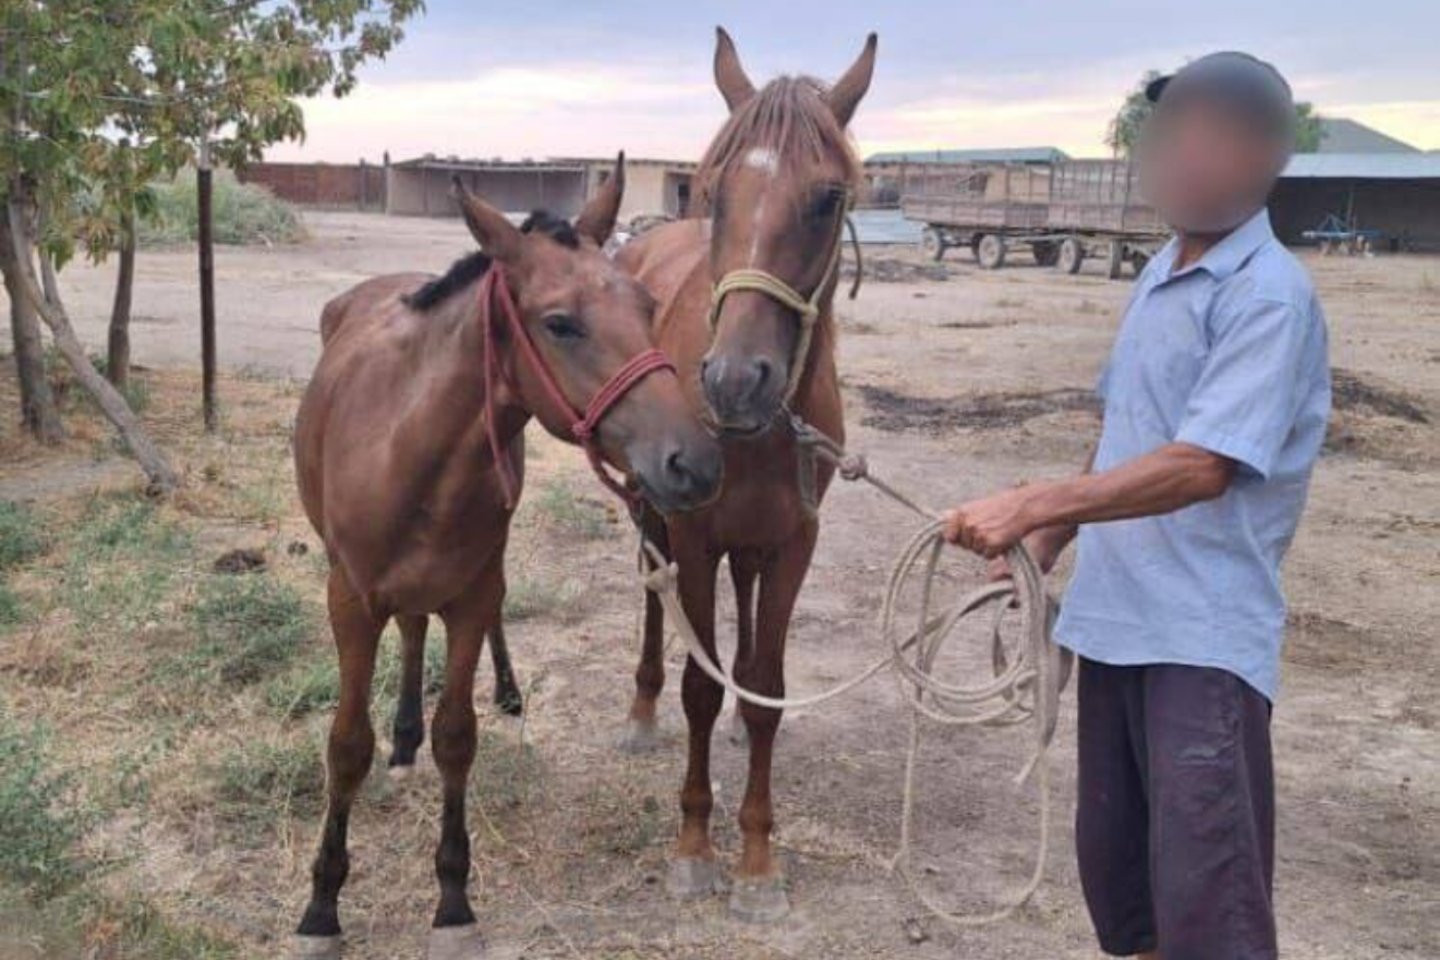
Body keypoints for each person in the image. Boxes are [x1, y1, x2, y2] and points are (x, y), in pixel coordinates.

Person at [942, 52, 1331, 960]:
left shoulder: (1269, 296)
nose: (1186, 157)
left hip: (1199, 641)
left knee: (1210, 913)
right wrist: (1050, 534)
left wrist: (1030, 496)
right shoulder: (1162, 269)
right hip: (1115, 627)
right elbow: (1130, 429)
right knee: (1128, 901)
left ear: (1265, 155)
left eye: (1214, 139)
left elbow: (1202, 465)